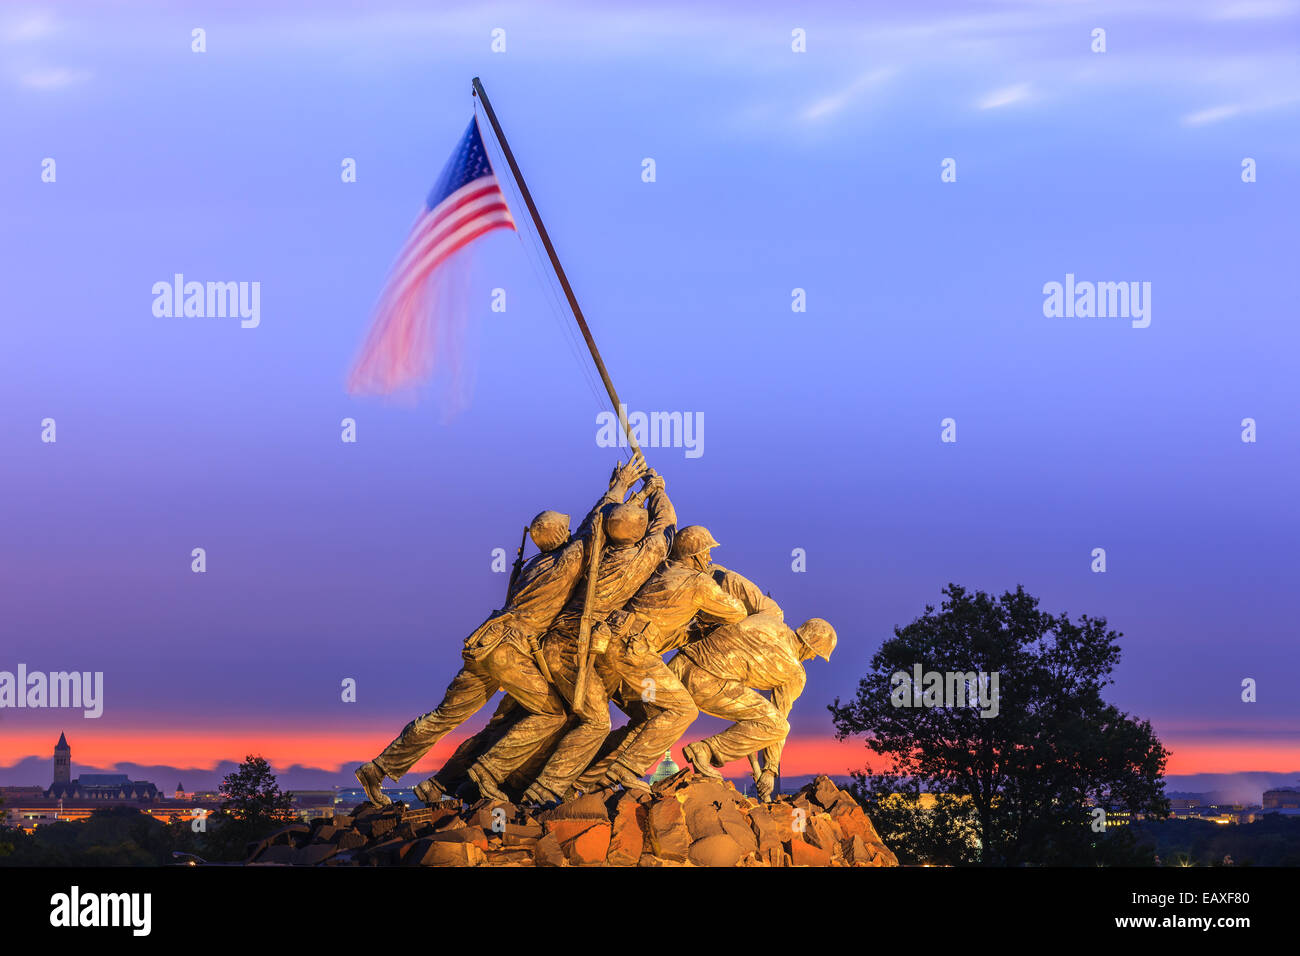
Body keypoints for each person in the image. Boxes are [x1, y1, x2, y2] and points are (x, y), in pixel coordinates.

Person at [352, 459, 646, 805]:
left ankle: (379, 767)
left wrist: (627, 492)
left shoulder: (534, 564)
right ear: (560, 537)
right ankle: (487, 772)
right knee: (553, 712)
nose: (569, 533)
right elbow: (594, 527)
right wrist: (622, 487)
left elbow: (586, 529)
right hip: (510, 650)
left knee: (444, 716)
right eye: (564, 531)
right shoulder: (564, 562)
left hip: (484, 643)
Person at [668, 614, 836, 801]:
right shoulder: (794, 671)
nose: (812, 658)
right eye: (815, 653)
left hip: (679, 663)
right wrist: (770, 770)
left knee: (649, 717)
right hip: (705, 681)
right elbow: (778, 717)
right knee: (778, 726)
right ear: (808, 645)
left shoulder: (767, 620)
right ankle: (705, 750)